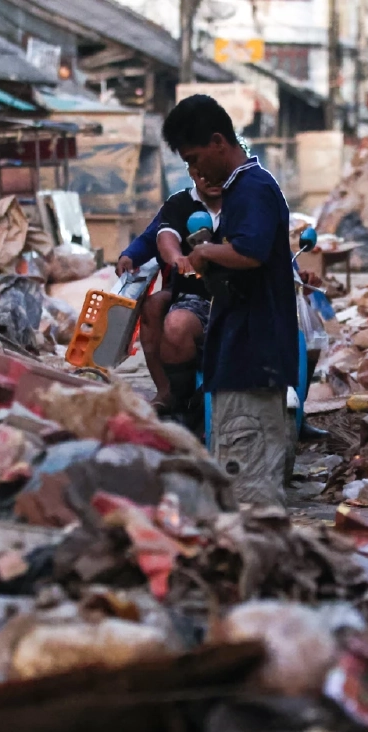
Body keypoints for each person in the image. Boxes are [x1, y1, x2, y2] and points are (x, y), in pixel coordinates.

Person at [162, 94, 297, 508]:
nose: (195, 169)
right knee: (236, 478)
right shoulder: (244, 187)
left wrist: (203, 253)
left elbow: (250, 252)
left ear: (220, 141)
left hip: (252, 356)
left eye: (197, 157)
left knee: (249, 490)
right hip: (240, 354)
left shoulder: (251, 188)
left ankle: (262, 563)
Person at [115, 168, 220, 415]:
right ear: (192, 171)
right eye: (202, 168)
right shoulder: (180, 203)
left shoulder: (245, 201)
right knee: (153, 306)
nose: (211, 175)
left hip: (235, 294)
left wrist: (295, 270)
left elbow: (268, 244)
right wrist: (130, 255)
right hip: (188, 292)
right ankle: (168, 393)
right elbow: (157, 237)